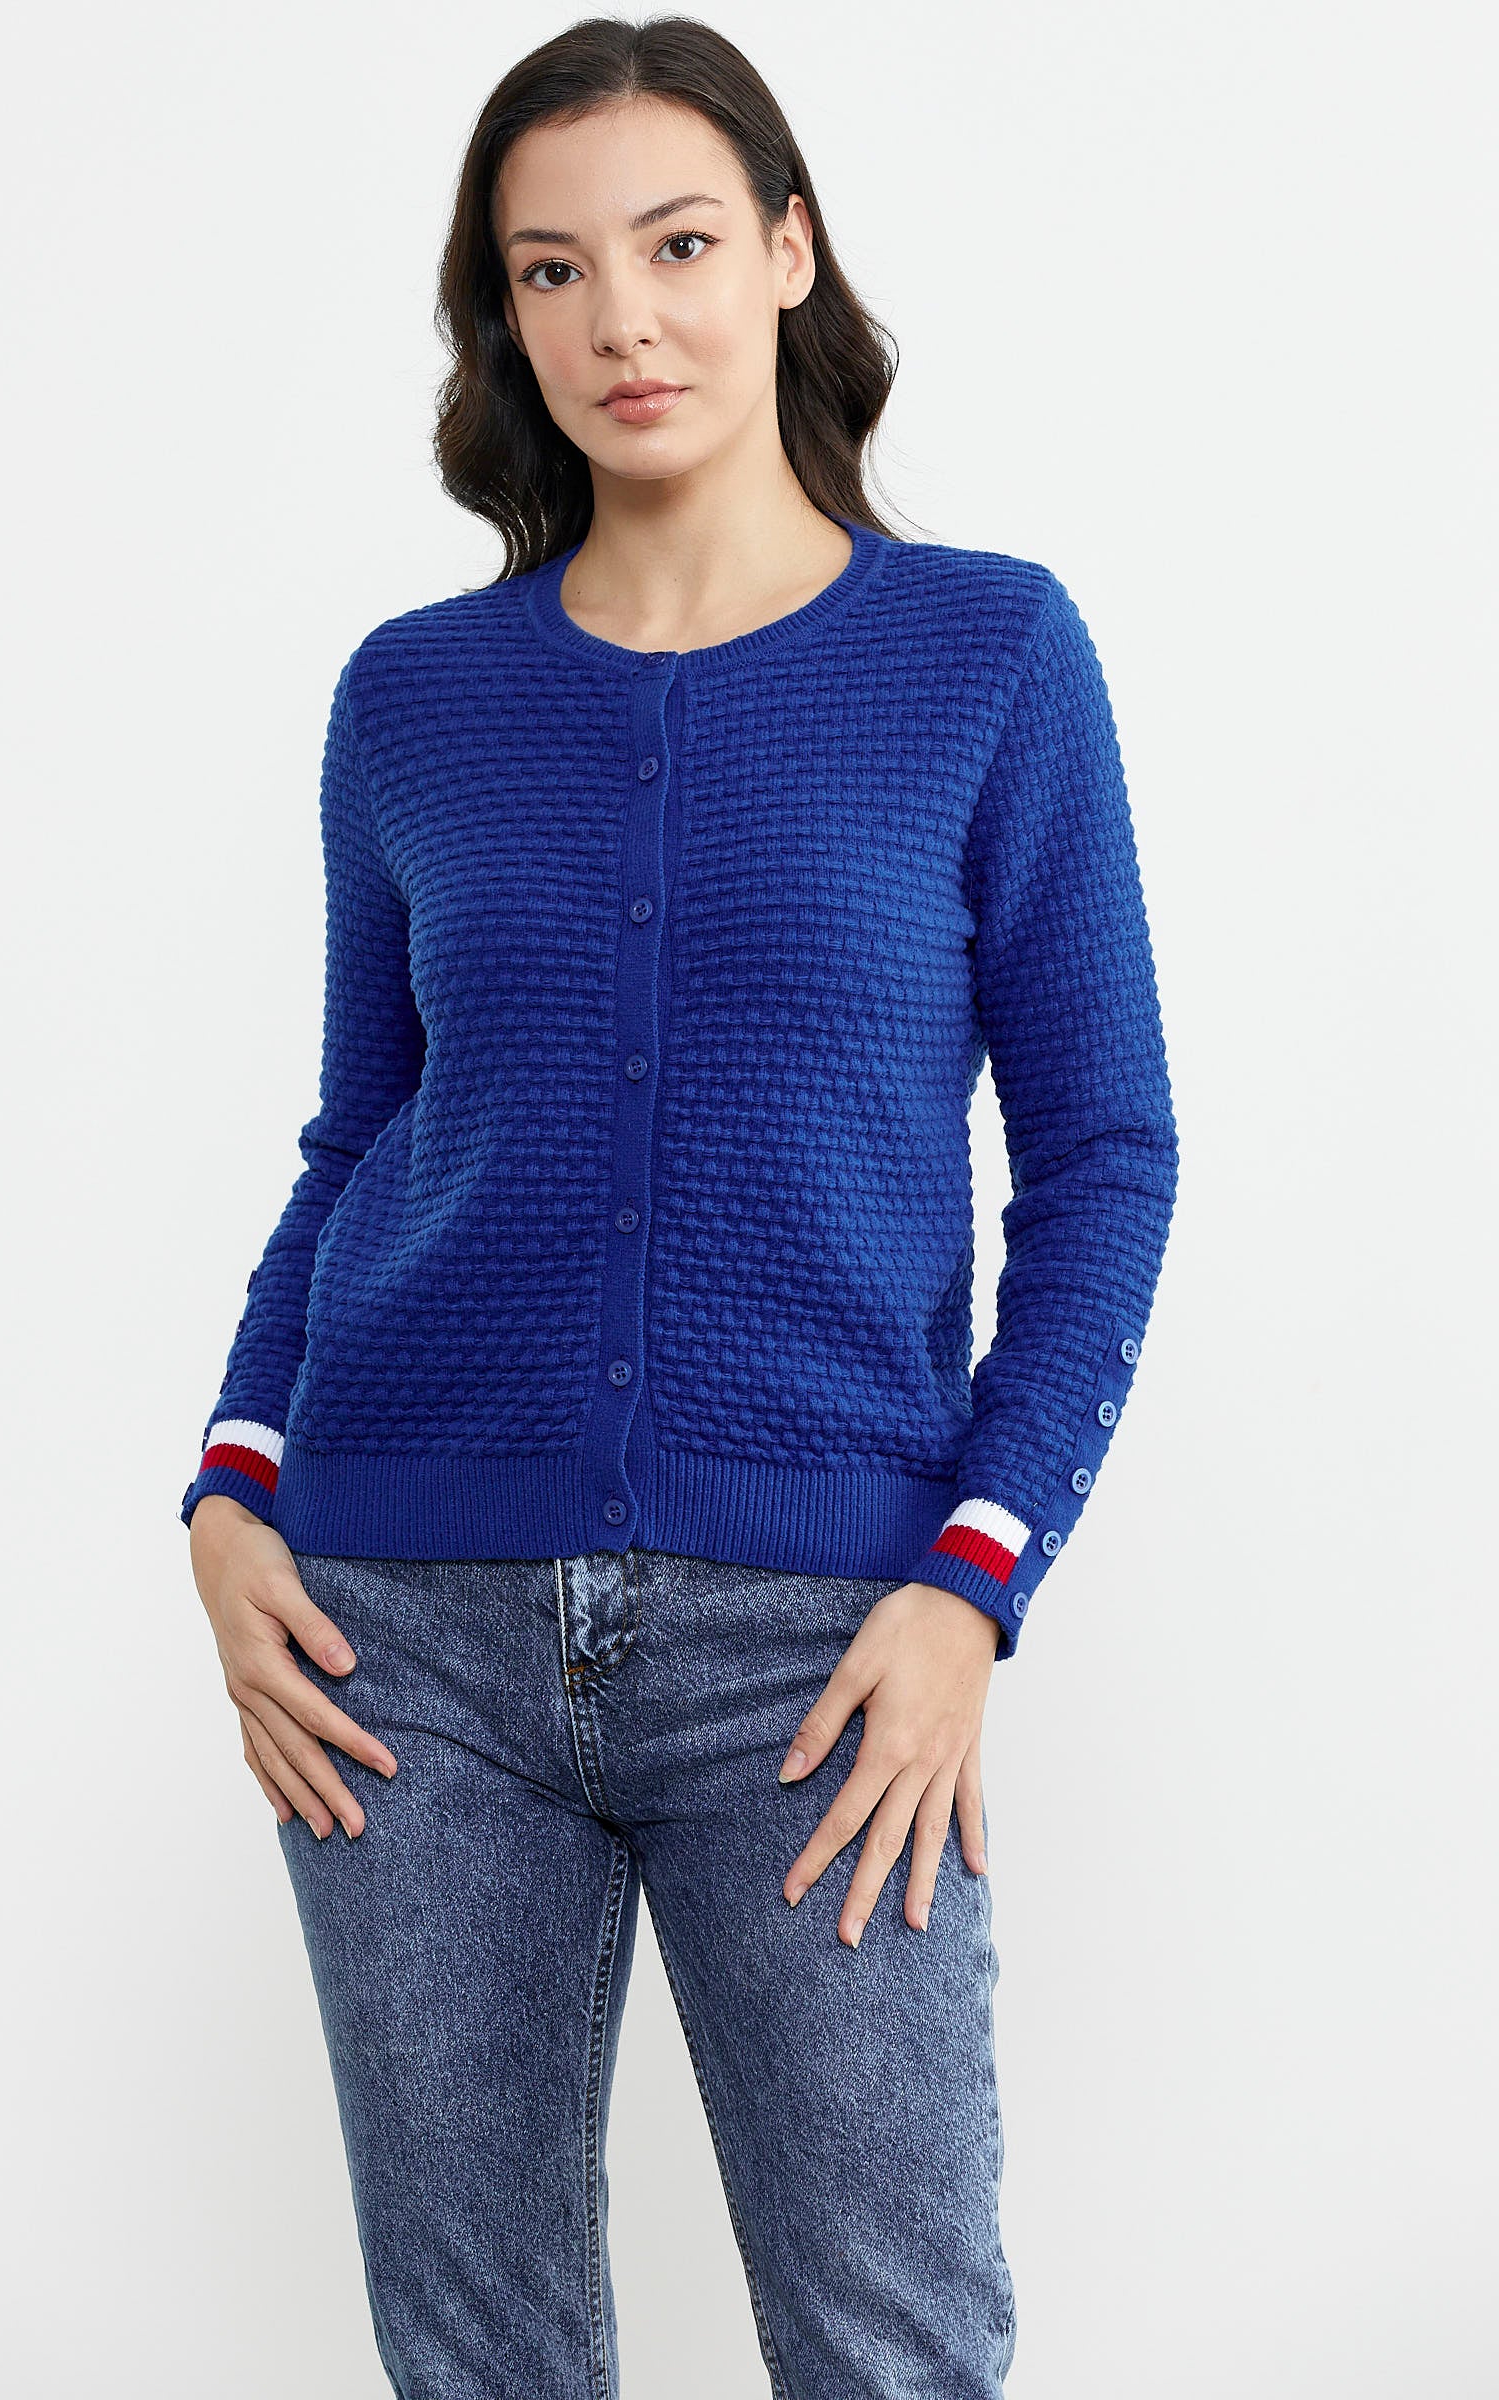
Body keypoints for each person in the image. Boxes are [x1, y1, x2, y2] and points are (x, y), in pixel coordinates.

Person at [181, 18, 1178, 2398]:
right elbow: (360, 1134)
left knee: (888, 2341)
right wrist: (228, 1484)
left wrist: (973, 1577)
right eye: (549, 270)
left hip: (824, 1646)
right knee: (479, 2352)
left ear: (787, 253)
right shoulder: (411, 699)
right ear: (502, 319)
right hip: (399, 1634)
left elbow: (1104, 1158)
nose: (619, 317)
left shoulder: (984, 657)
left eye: (676, 244)